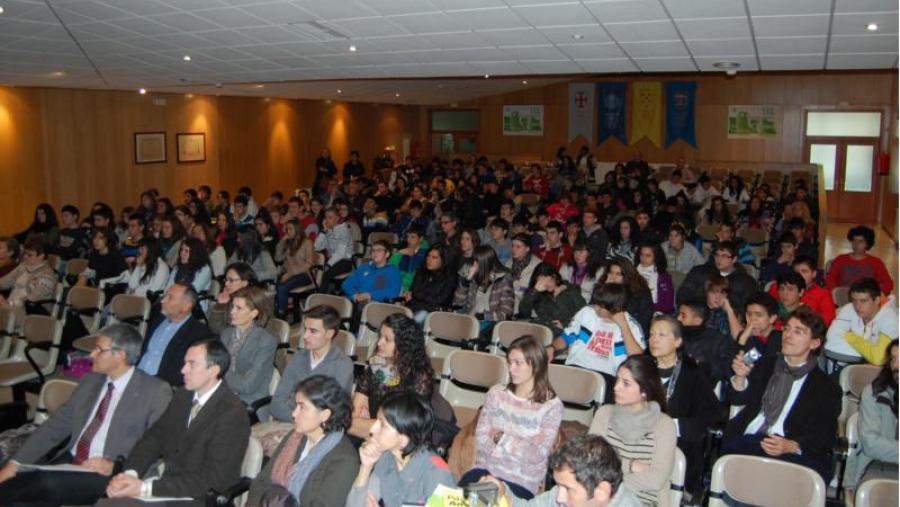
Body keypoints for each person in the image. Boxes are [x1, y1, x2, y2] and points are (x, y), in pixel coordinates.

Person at [0, 324, 172, 507]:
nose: (91, 355)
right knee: (22, 496)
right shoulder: (90, 381)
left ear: (120, 355)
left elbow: (158, 446)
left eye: (99, 350)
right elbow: (54, 426)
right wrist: (15, 463)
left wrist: (115, 465)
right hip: (72, 461)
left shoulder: (155, 391)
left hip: (109, 473)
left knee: (42, 483)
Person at [103, 339, 251, 502]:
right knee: (109, 500)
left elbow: (214, 478)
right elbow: (154, 438)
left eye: (191, 364)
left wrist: (145, 488)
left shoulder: (232, 413)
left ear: (213, 370)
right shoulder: (184, 395)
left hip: (197, 497)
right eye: (184, 363)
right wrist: (130, 474)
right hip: (166, 483)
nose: (183, 370)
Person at [722, 307, 841, 481]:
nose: (788, 335)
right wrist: (740, 377)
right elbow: (737, 399)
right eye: (786, 329)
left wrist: (791, 446)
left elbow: (825, 436)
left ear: (814, 343)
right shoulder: (765, 364)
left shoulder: (826, 387)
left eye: (798, 331)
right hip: (752, 439)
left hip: (793, 451)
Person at [460, 336, 563, 498]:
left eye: (518, 363)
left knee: (479, 500)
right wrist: (521, 445)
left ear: (535, 365)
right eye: (509, 362)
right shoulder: (496, 394)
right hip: (486, 470)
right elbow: (481, 437)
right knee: (456, 500)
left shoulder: (551, 406)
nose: (511, 369)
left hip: (522, 481)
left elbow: (537, 454)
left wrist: (500, 437)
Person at [246, 375, 359, 507]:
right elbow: (262, 482)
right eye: (296, 406)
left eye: (302, 407)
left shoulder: (344, 459)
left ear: (325, 415)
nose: (294, 414)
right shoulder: (295, 437)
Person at [647, 316, 724, 499]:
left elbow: (715, 414)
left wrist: (676, 426)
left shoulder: (692, 374)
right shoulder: (641, 368)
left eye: (661, 335)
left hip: (678, 441)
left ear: (678, 341)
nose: (654, 339)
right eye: (651, 335)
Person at [589, 355, 677, 506]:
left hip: (643, 501)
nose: (616, 387)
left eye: (626, 383)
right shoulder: (604, 414)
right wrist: (631, 466)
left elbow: (656, 479)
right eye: (617, 380)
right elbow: (592, 461)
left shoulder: (664, 425)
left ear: (644, 391)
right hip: (601, 497)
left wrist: (611, 484)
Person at [346, 391, 455, 507]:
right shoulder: (387, 458)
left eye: (383, 425)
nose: (373, 429)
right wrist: (366, 466)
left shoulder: (438, 474)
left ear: (405, 437)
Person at [551, 284, 645, 400]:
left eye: (601, 307)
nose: (596, 308)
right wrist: (551, 348)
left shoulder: (631, 325)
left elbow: (637, 358)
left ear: (615, 307)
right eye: (596, 304)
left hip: (607, 376)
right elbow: (566, 337)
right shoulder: (587, 313)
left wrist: (623, 326)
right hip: (576, 368)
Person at [350, 314, 434, 438]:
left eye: (387, 339)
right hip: (365, 439)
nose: (379, 343)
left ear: (403, 345)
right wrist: (379, 427)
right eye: (380, 337)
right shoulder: (375, 368)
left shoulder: (419, 378)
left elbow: (402, 431)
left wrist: (366, 425)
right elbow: (351, 423)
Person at [271, 305, 354, 423]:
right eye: (305, 329)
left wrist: (301, 419)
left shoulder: (343, 365)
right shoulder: (299, 357)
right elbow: (277, 403)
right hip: (289, 421)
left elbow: (335, 411)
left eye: (313, 331)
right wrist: (297, 419)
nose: (305, 336)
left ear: (329, 334)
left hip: (320, 431)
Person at [138, 283, 215, 386]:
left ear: (186, 305)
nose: (163, 300)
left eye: (170, 297)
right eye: (165, 296)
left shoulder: (199, 334)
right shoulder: (157, 318)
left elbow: (182, 373)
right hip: (135, 376)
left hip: (159, 386)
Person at [845, 339, 898, 489]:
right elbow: (871, 445)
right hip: (878, 470)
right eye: (894, 359)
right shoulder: (875, 394)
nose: (896, 366)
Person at [220, 286, 278, 406]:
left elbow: (248, 385)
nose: (232, 312)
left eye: (239, 308)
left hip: (248, 402)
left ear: (254, 313)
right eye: (232, 306)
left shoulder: (266, 341)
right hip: (223, 394)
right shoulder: (226, 334)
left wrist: (219, 372)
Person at [826, 277, 899, 365]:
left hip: (875, 372)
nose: (858, 306)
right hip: (843, 364)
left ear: (877, 300)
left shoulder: (890, 318)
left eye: (863, 301)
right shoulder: (848, 309)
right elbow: (831, 339)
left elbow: (879, 358)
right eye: (854, 300)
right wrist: (868, 353)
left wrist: (850, 336)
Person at [677, 241, 757, 315]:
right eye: (717, 255)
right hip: (698, 315)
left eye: (724, 256)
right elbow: (683, 294)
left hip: (729, 320)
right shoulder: (700, 272)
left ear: (734, 259)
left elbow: (749, 309)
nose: (719, 259)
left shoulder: (746, 281)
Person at [453, 245, 516, 338]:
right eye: (472, 260)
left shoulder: (504, 278)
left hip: (490, 321)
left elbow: (506, 313)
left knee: (469, 336)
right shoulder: (468, 270)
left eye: (476, 261)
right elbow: (457, 303)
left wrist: (481, 316)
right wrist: (465, 281)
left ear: (485, 263)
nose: (473, 265)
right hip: (470, 318)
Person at [676, 300, 736, 384]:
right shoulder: (675, 336)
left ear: (697, 320)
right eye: (679, 314)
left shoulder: (717, 341)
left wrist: (702, 366)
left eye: (683, 316)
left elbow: (725, 372)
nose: (678, 318)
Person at [518, 263, 586, 336]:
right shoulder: (538, 294)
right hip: (543, 331)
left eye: (547, 281)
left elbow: (584, 313)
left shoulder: (571, 290)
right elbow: (524, 313)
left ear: (554, 277)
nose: (545, 285)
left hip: (565, 333)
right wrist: (535, 291)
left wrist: (565, 324)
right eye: (540, 282)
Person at [767, 256, 835, 326]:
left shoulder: (823, 294)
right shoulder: (778, 287)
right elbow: (765, 308)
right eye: (796, 272)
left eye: (804, 271)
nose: (800, 275)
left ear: (814, 274)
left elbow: (828, 320)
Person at [825, 225, 894, 294]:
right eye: (854, 240)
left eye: (861, 241)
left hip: (867, 298)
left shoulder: (876, 262)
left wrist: (873, 293)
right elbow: (830, 280)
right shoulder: (840, 259)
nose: (856, 244)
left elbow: (888, 284)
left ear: (867, 244)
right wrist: (837, 293)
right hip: (843, 297)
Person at [0, 236, 56, 320]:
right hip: (9, 308)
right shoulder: (24, 266)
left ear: (41, 256)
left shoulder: (47, 277)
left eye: (30, 255)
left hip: (26, 315)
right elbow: (4, 283)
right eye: (25, 253)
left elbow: (30, 301)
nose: (25, 257)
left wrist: (6, 304)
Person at [597, 258, 654, 336]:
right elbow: (594, 310)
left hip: (632, 332)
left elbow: (645, 320)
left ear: (627, 276)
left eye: (618, 274)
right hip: (604, 330)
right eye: (611, 272)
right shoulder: (602, 286)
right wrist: (606, 289)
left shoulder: (640, 291)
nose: (613, 277)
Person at [274, 218, 316, 319]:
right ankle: (284, 308)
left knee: (282, 288)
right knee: (277, 285)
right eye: (286, 229)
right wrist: (281, 242)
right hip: (290, 274)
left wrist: (290, 273)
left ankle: (281, 315)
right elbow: (278, 258)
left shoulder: (307, 243)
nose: (287, 232)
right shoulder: (289, 243)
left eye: (290, 229)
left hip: (304, 275)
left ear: (297, 229)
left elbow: (309, 264)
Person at [102, 237, 169, 298]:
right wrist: (138, 267)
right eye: (139, 248)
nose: (139, 251)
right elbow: (132, 285)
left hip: (145, 303)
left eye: (142, 248)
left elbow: (152, 293)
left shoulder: (162, 267)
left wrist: (135, 293)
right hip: (132, 299)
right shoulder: (144, 262)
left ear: (151, 250)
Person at [406, 245, 457, 325]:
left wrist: (419, 295)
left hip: (434, 312)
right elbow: (413, 291)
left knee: (418, 317)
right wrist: (421, 296)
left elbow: (441, 300)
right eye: (428, 256)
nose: (429, 260)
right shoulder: (421, 272)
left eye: (434, 257)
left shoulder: (450, 277)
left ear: (443, 260)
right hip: (414, 307)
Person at [342, 239, 402, 306]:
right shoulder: (364, 267)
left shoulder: (393, 270)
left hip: (374, 305)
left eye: (379, 250)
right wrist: (354, 294)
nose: (374, 253)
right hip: (355, 300)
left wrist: (370, 295)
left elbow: (393, 293)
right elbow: (346, 284)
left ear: (387, 254)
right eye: (373, 250)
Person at [315, 206, 354, 294]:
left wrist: (328, 264)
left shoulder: (344, 230)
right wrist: (324, 231)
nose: (327, 220)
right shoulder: (328, 230)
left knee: (325, 273)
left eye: (330, 217)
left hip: (344, 261)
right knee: (315, 270)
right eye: (326, 217)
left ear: (337, 218)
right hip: (332, 260)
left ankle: (319, 297)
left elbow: (340, 253)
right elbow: (317, 247)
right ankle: (319, 294)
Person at [735, 292, 783, 358]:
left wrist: (743, 341)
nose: (752, 320)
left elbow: (765, 365)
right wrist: (743, 340)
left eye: (759, 315)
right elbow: (744, 363)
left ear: (772, 318)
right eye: (749, 314)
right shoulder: (746, 336)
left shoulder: (779, 339)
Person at [634, 243, 675, 315]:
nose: (643, 258)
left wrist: (645, 307)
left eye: (648, 256)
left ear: (656, 257)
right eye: (641, 254)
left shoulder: (664, 277)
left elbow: (668, 305)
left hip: (656, 312)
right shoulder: (633, 272)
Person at [509, 233, 543, 315]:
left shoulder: (538, 265)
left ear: (527, 248)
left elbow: (536, 294)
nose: (514, 249)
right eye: (512, 246)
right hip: (511, 309)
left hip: (530, 311)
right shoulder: (509, 263)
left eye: (518, 247)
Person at [390, 225, 429, 293]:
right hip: (398, 287)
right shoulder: (402, 251)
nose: (409, 240)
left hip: (415, 290)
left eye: (412, 237)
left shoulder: (426, 255)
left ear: (421, 239)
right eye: (408, 237)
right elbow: (391, 268)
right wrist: (399, 253)